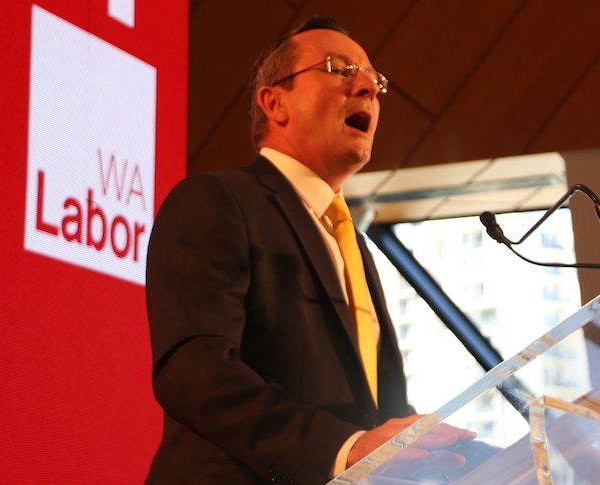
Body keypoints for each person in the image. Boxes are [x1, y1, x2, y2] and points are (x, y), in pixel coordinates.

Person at [144, 17, 471, 484]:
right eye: (340, 69)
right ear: (274, 103)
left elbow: (375, 411)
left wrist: (436, 453)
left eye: (375, 80)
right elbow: (193, 371)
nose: (367, 88)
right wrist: (342, 448)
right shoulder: (217, 200)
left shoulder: (353, 244)